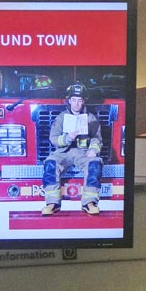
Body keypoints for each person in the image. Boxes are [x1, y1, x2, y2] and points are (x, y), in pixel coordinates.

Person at [42, 82, 103, 217]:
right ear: (69, 101)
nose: (76, 104)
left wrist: (93, 150)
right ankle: (52, 203)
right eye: (74, 100)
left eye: (79, 100)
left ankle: (89, 203)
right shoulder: (61, 118)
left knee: (94, 164)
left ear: (83, 101)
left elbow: (97, 139)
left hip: (83, 153)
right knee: (50, 163)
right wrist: (67, 138)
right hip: (64, 152)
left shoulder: (91, 119)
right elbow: (53, 138)